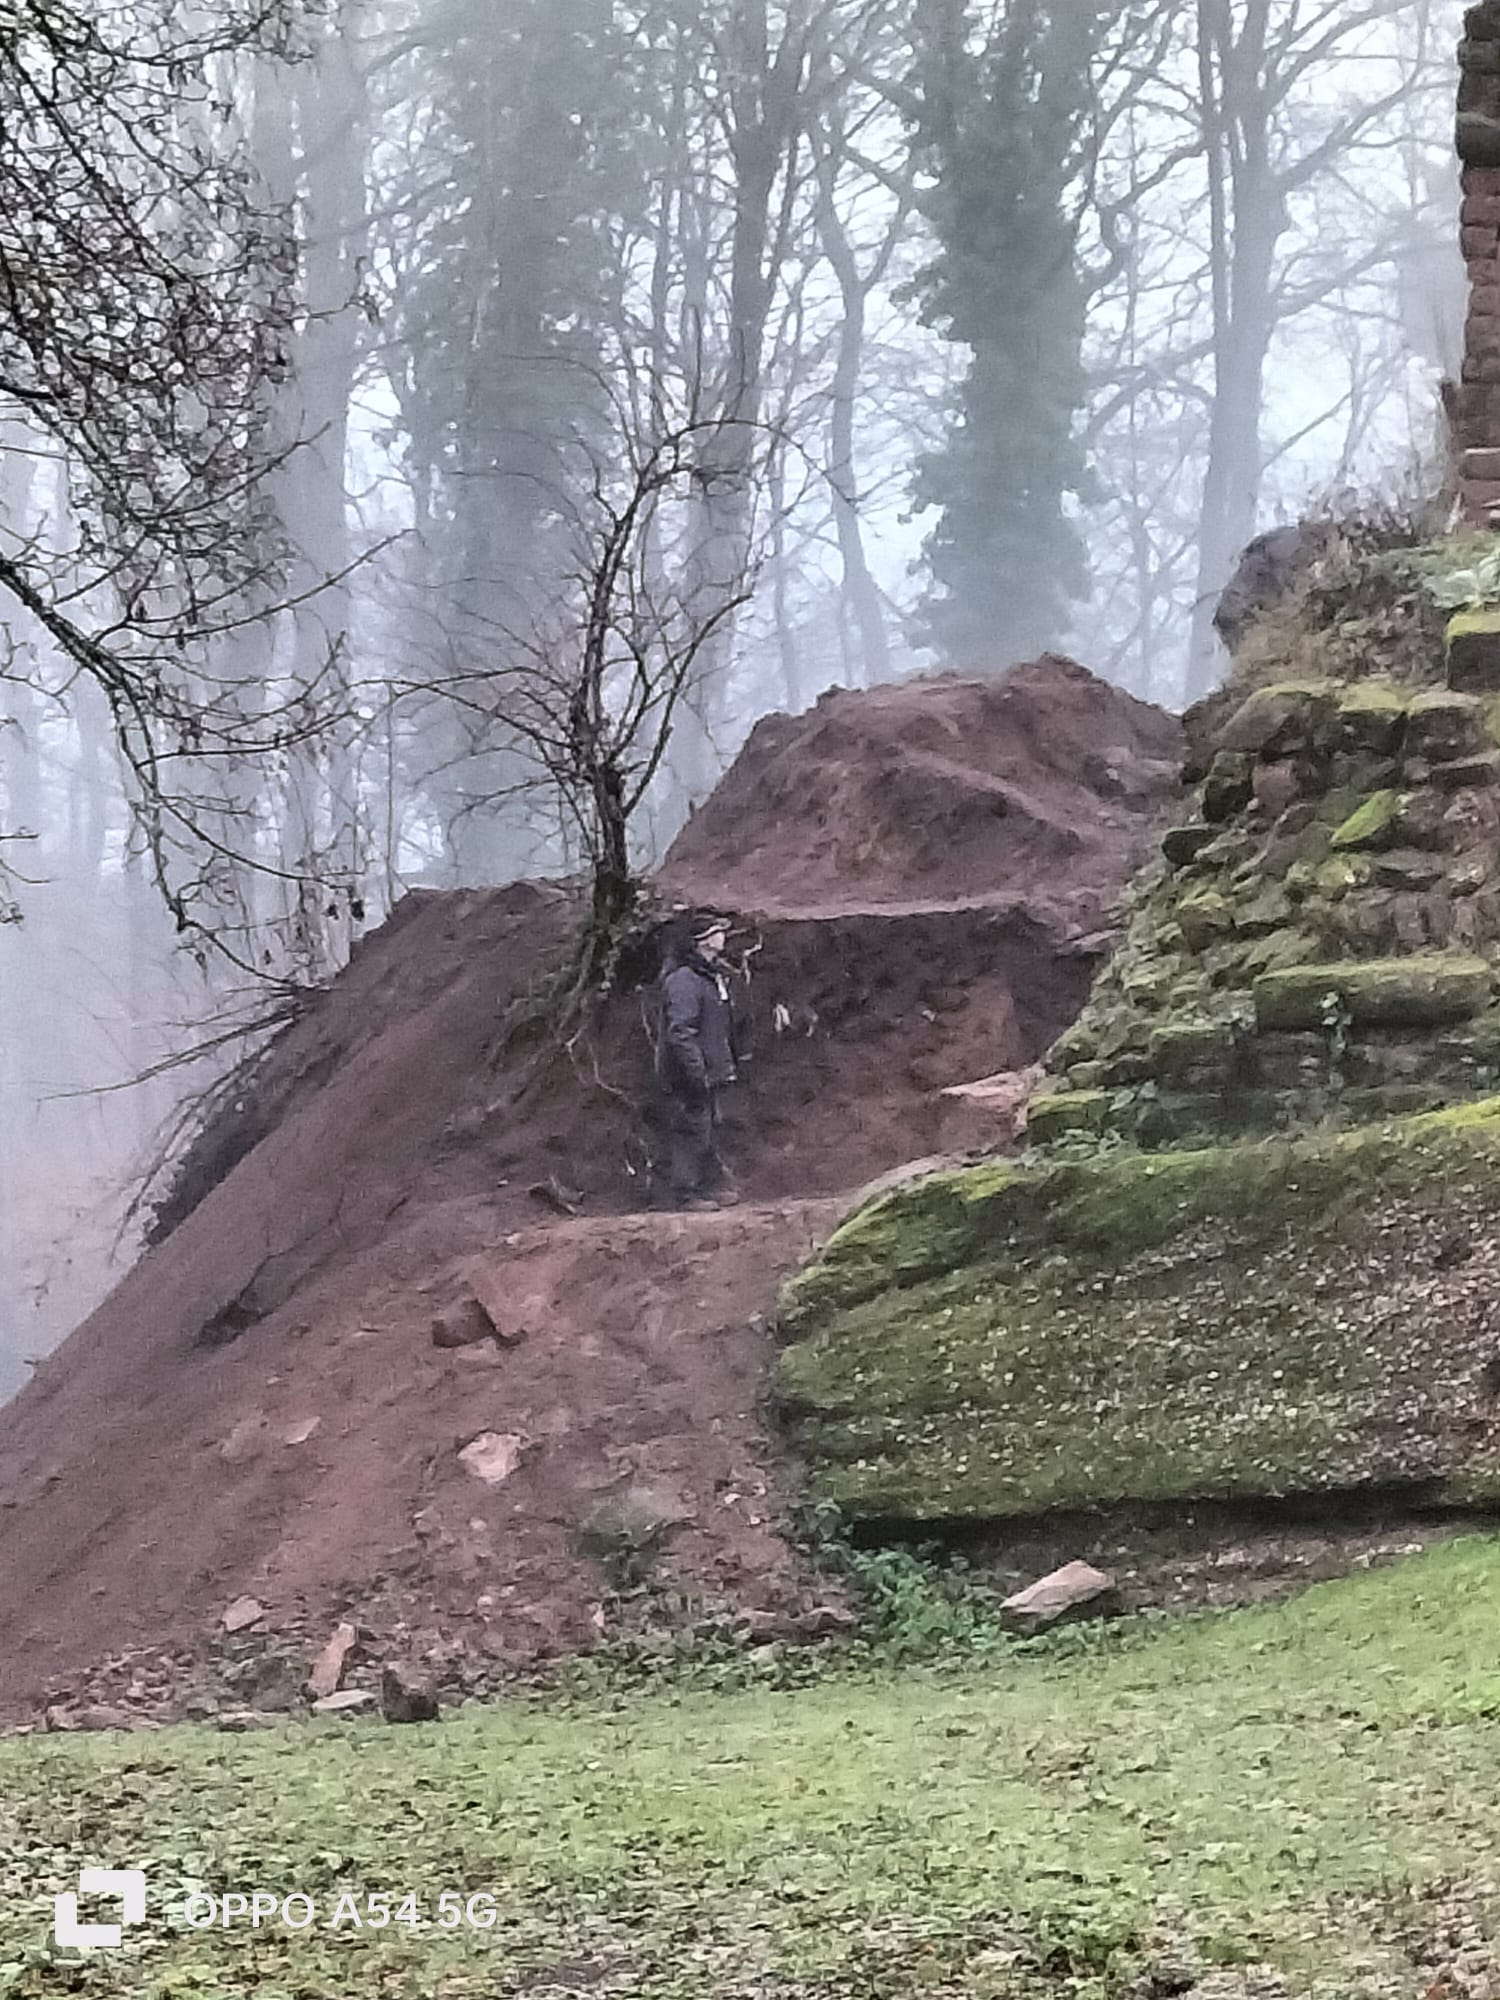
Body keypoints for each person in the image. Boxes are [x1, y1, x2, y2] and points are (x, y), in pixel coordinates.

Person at [655, 914, 740, 1211]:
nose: (723, 935)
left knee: (704, 1129)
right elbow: (680, 1032)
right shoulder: (684, 981)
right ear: (702, 941)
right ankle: (685, 1194)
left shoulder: (709, 976)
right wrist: (696, 1070)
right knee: (690, 1130)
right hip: (688, 1073)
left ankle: (705, 1189)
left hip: (707, 1070)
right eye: (717, 931)